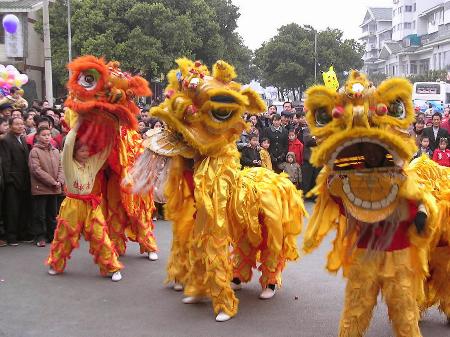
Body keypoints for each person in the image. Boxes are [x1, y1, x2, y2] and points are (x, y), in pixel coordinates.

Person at [47, 121, 123, 281]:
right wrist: (79, 123)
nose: (86, 152)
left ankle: (112, 267)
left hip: (91, 205)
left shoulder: (91, 164)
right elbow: (67, 144)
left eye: (87, 149)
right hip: (72, 205)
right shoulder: (68, 163)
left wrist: (114, 130)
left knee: (100, 234)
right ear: (74, 152)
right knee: (64, 236)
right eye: (82, 150)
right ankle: (55, 264)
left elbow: (104, 152)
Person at [29, 126, 64, 246]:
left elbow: (61, 167)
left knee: (52, 214)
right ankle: (40, 237)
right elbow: (36, 170)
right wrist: (52, 182)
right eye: (44, 135)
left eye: (48, 134)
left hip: (54, 188)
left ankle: (52, 235)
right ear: (38, 137)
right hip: (41, 188)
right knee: (40, 215)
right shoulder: (35, 151)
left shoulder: (55, 150)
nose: (47, 137)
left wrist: (60, 180)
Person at [0, 117, 32, 245]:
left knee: (23, 208)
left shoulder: (23, 139)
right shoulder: (7, 140)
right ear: (11, 126)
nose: (20, 126)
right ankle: (11, 236)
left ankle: (22, 234)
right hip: (12, 180)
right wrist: (9, 180)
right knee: (12, 210)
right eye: (17, 124)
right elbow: (6, 162)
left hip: (24, 179)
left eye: (21, 124)